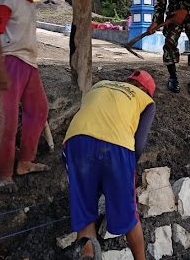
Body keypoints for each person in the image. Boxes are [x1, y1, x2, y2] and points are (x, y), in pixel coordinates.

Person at [62, 70, 157, 260]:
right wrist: (124, 171)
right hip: (116, 148)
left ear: (128, 80)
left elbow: (90, 116)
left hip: (76, 143)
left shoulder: (99, 85)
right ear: (146, 91)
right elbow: (138, 145)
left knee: (85, 214)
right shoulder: (145, 101)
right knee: (129, 216)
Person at [0, 0, 57, 193]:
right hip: (8, 61)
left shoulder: (29, 5)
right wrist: (0, 68)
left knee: (38, 110)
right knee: (6, 120)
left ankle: (25, 162)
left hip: (29, 64)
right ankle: (4, 174)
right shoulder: (8, 0)